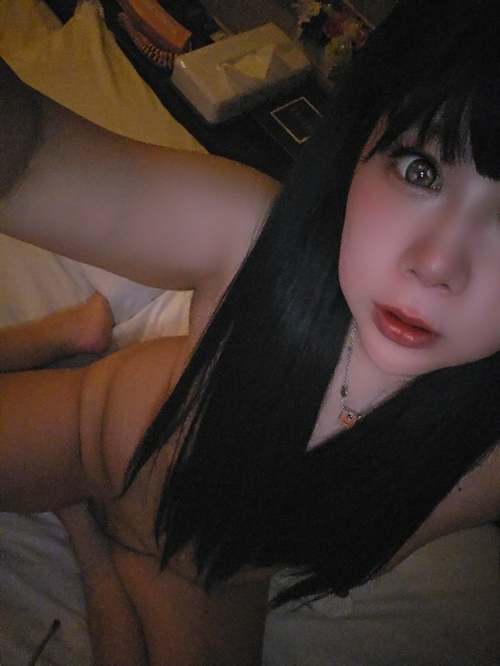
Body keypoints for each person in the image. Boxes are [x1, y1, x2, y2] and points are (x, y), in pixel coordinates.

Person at [1, 0, 500, 663]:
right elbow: (31, 153)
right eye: (420, 169)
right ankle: (67, 339)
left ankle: (96, 551)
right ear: (357, 145)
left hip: (208, 569)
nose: (436, 265)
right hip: (86, 440)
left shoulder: (484, 456)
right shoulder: (253, 243)